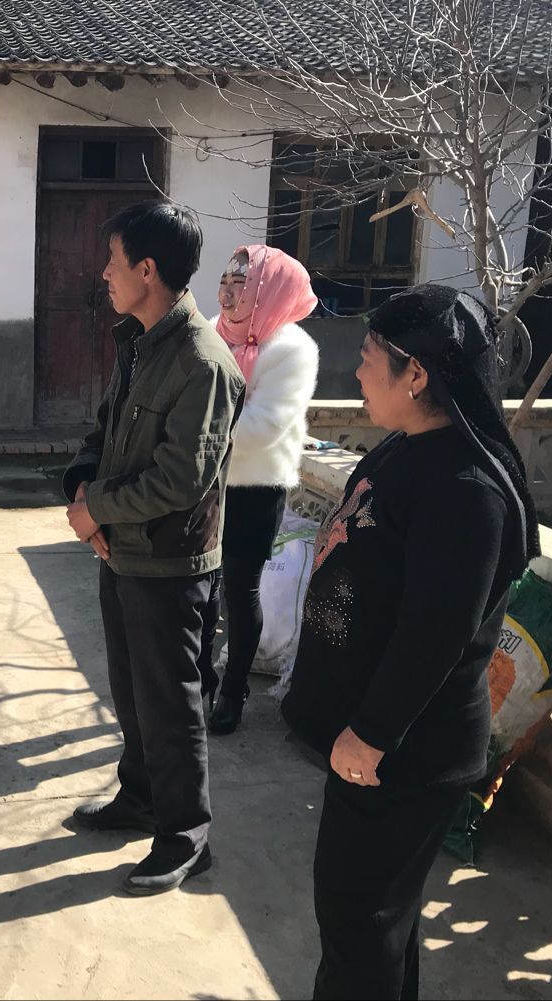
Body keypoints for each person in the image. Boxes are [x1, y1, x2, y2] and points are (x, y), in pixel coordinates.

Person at [281, 285, 540, 999]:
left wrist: (370, 734)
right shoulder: (412, 448)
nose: (357, 371)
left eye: (370, 357)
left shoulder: (465, 488)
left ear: (416, 373)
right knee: (375, 920)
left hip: (405, 752)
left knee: (359, 920)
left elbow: (437, 631)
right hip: (378, 744)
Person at [63, 201, 244, 895]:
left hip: (170, 563)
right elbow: (106, 432)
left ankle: (186, 835)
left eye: (113, 262)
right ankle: (139, 797)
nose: (103, 275)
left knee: (171, 707)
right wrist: (82, 488)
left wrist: (96, 511)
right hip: (122, 552)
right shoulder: (139, 342)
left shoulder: (202, 361)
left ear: (147, 270)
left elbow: (180, 480)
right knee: (133, 695)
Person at [202, 245, 319, 734]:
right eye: (224, 283)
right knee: (202, 586)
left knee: (239, 589)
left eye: (241, 285)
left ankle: (233, 690)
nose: (227, 295)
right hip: (209, 481)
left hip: (256, 486)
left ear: (270, 292)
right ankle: (201, 679)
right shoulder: (212, 332)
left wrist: (196, 428)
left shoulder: (291, 349)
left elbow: (263, 426)